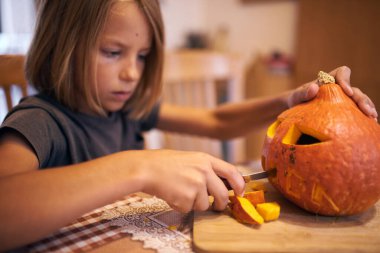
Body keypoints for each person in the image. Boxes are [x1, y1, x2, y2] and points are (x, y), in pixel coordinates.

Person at [0, 0, 377, 251]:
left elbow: (216, 121)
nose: (132, 73)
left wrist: (288, 101)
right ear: (60, 46)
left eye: (144, 56)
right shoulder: (39, 121)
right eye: (113, 53)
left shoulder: (126, 108)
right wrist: (138, 167)